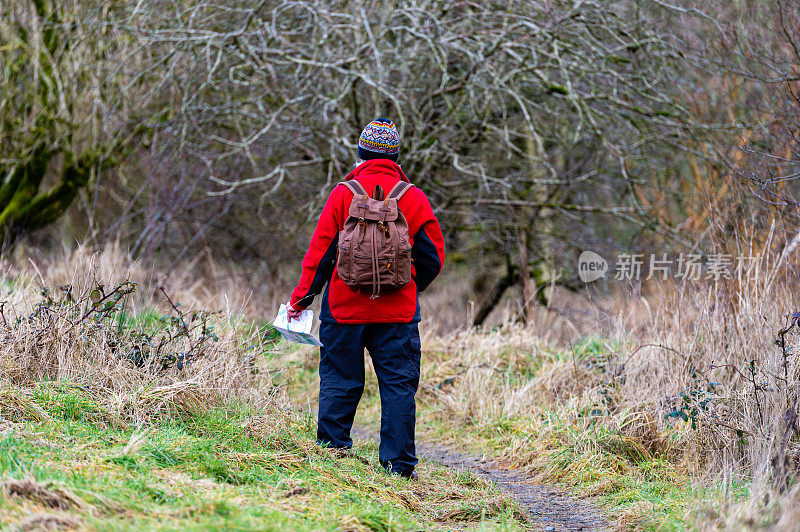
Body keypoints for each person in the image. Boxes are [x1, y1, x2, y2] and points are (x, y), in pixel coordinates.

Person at [286, 118, 445, 479]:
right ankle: (399, 468)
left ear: (360, 153)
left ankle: (332, 454)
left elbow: (320, 256)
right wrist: (409, 285)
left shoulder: (343, 194)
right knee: (398, 388)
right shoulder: (414, 197)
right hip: (398, 316)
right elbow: (434, 256)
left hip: (343, 312)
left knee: (341, 381)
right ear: (396, 157)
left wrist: (300, 301)